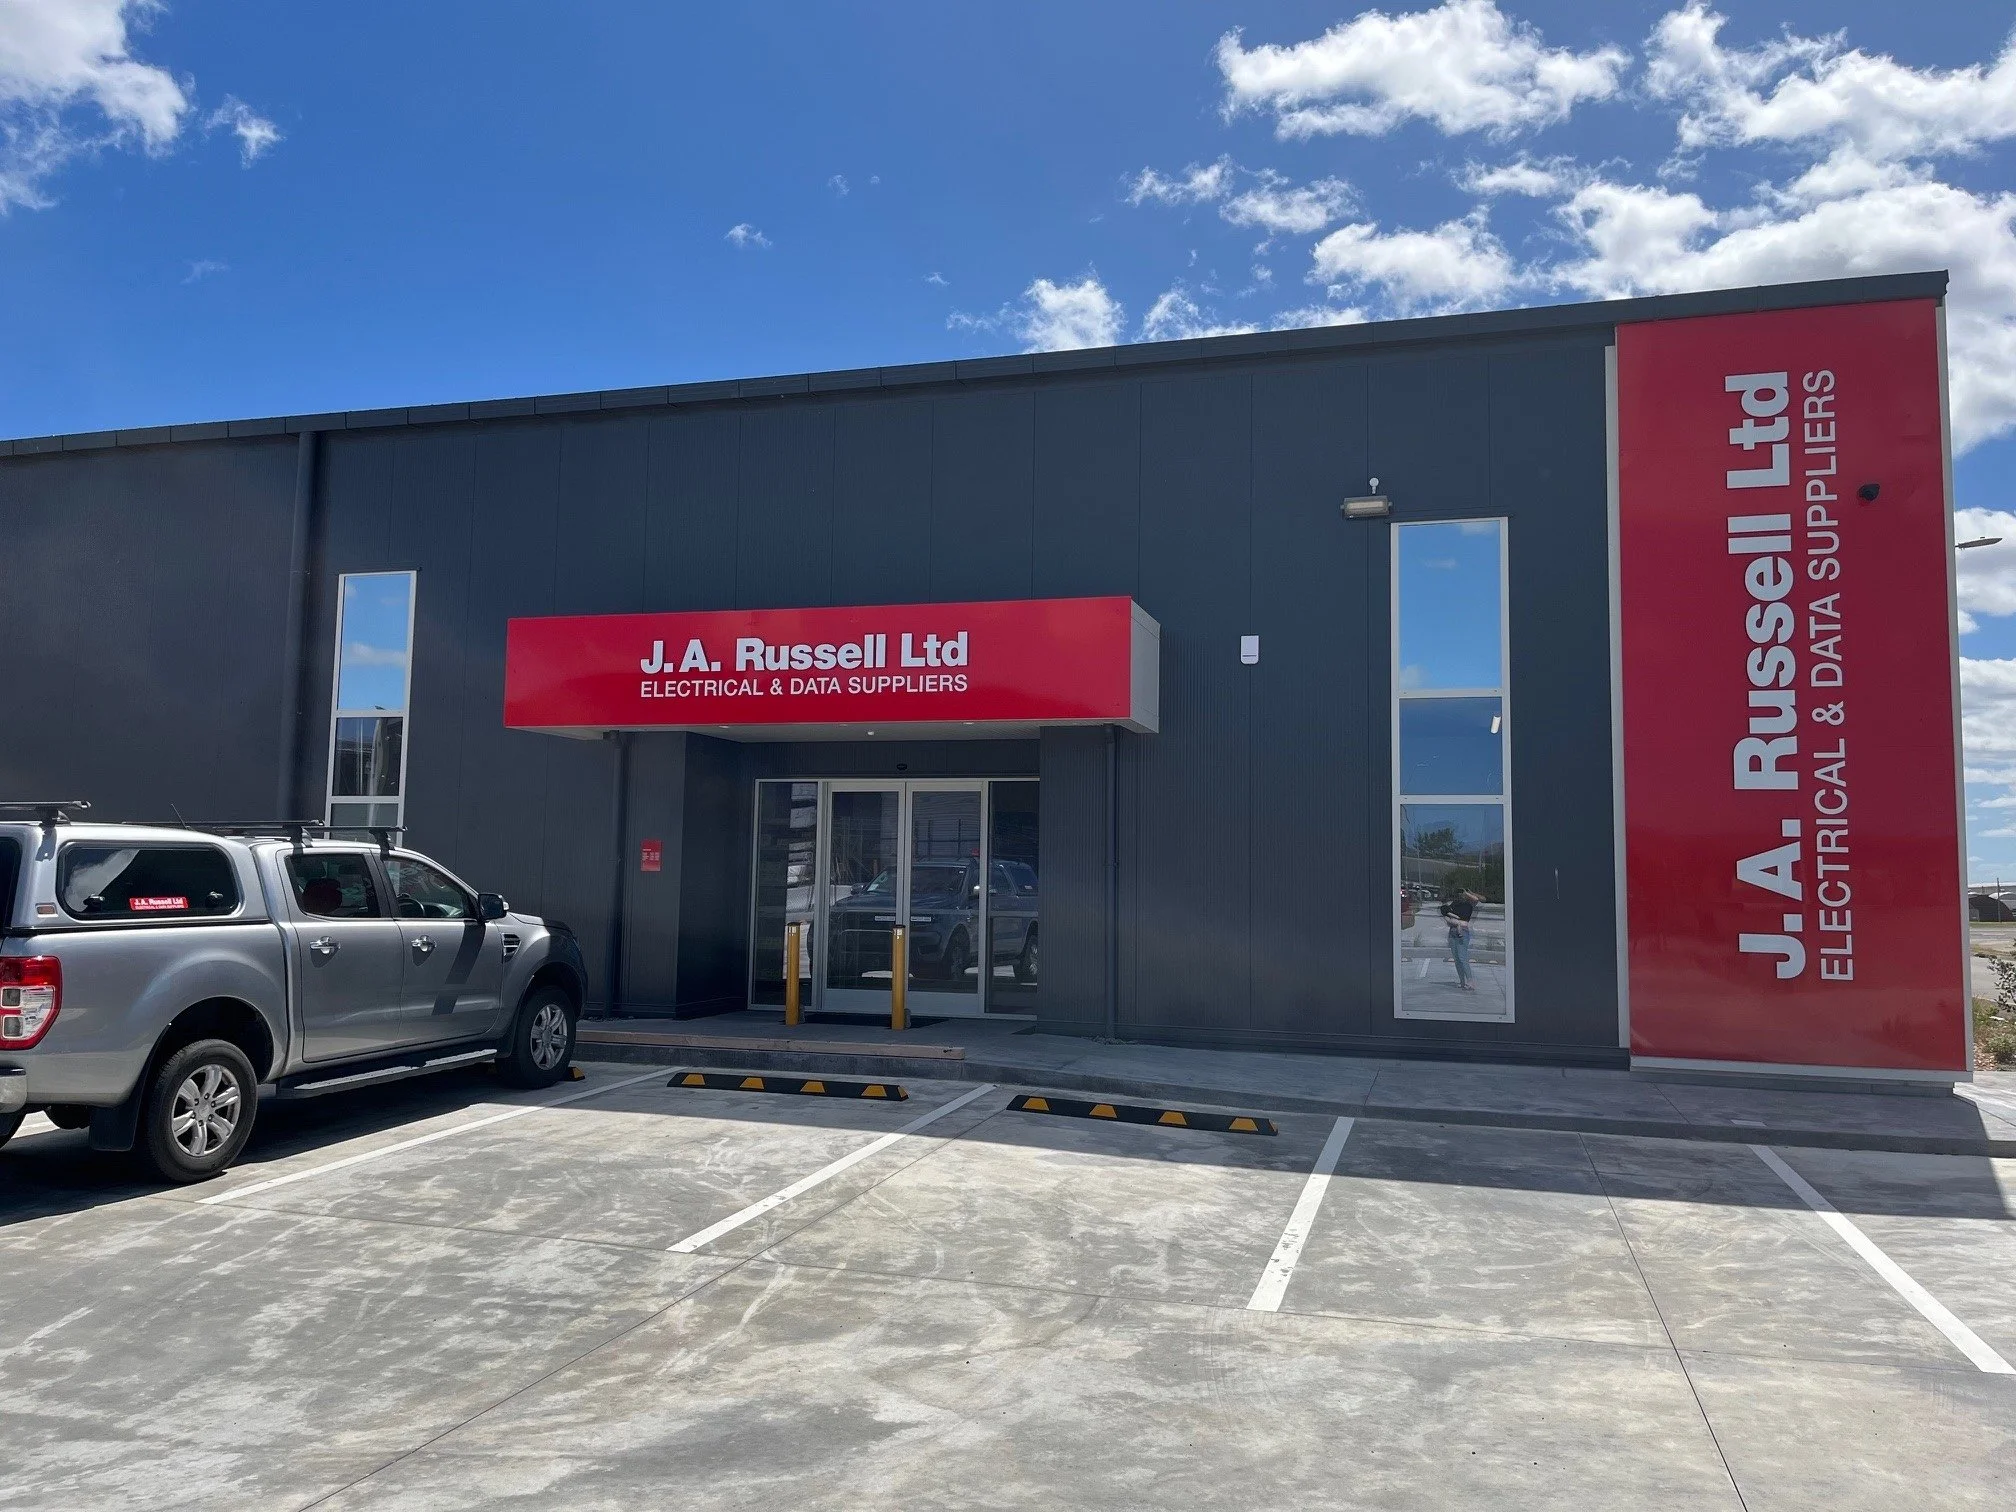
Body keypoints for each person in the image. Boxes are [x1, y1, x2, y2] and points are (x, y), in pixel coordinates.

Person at [1441, 890, 1481, 991]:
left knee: (1462, 957)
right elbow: (1446, 914)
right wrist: (1456, 921)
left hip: (1463, 932)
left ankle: (1470, 981)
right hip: (1453, 932)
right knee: (1457, 959)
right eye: (1459, 894)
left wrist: (1466, 892)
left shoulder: (1469, 904)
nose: (1460, 895)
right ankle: (1462, 982)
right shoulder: (1454, 904)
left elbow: (1476, 899)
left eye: (1462, 894)